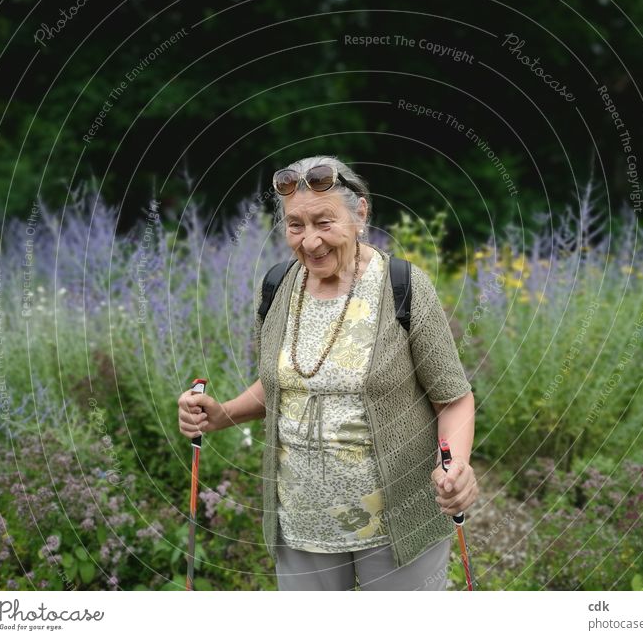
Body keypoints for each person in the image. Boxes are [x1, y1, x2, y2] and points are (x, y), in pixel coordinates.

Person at [178, 155, 478, 590]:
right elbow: (283, 385)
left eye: (324, 222)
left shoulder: (404, 286)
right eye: (295, 225)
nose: (310, 241)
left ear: (360, 214)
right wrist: (221, 414)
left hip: (398, 521)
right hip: (301, 522)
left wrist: (457, 467)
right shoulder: (277, 286)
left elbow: (453, 397)